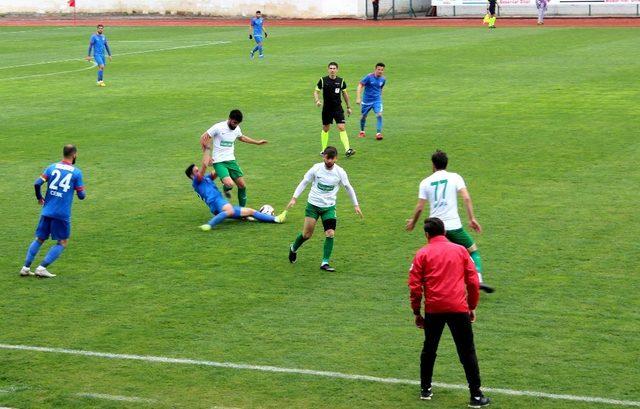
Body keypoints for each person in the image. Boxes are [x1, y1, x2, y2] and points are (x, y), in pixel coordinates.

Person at [408, 217, 491, 408]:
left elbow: (414, 287)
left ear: (426, 234)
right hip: (458, 308)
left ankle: (425, 390)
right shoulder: (461, 251)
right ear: (444, 232)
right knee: (467, 351)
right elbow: (472, 282)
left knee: (429, 349)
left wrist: (416, 312)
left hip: (434, 309)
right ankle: (476, 396)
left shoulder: (422, 253)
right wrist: (472, 306)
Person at [406, 150, 494, 293]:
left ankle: (421, 277)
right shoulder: (455, 177)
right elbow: (466, 198)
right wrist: (472, 218)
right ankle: (478, 279)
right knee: (472, 251)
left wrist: (413, 222)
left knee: (434, 254)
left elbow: (420, 207)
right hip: (454, 225)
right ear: (446, 164)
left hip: (435, 227)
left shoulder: (425, 182)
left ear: (433, 164)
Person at [286, 146, 362, 271]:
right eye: (327, 159)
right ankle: (293, 248)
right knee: (306, 235)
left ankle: (324, 262)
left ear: (336, 159)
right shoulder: (316, 168)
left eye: (332, 159)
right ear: (323, 157)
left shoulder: (340, 172)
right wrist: (294, 198)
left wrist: (356, 205)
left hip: (329, 208)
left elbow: (348, 187)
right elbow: (304, 182)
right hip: (313, 206)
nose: (329, 161)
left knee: (330, 233)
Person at [20, 145, 85, 278]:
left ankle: (25, 268)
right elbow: (82, 195)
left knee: (39, 239)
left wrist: (39, 198)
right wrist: (79, 191)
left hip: (47, 210)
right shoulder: (76, 172)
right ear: (74, 155)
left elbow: (37, 183)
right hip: (62, 214)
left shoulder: (52, 167)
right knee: (62, 242)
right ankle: (41, 268)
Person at [185, 157, 286, 230]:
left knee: (250, 212)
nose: (199, 172)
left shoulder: (205, 178)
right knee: (230, 211)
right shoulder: (196, 182)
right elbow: (203, 167)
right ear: (192, 176)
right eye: (196, 171)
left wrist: (216, 161)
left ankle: (272, 219)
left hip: (215, 206)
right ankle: (210, 224)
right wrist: (207, 150)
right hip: (218, 202)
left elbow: (217, 171)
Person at [199, 109, 267, 207]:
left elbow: (242, 137)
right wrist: (207, 155)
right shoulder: (218, 127)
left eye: (237, 123)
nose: (235, 125)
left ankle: (242, 211)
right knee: (230, 184)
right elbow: (203, 138)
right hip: (219, 162)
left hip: (231, 161)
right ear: (230, 118)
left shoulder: (237, 128)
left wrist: (257, 142)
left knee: (242, 186)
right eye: (234, 122)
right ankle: (226, 187)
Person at [314, 62, 355, 158]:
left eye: (334, 68)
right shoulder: (323, 80)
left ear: (337, 70)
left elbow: (345, 94)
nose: (332, 70)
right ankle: (323, 150)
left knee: (341, 127)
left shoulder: (341, 81)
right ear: (328, 69)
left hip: (337, 108)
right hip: (327, 109)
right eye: (330, 68)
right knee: (326, 128)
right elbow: (316, 91)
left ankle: (348, 149)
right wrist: (317, 100)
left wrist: (348, 107)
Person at [357, 62, 386, 140]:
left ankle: (378, 133)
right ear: (375, 69)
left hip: (377, 100)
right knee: (363, 116)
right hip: (366, 101)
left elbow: (381, 87)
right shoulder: (369, 77)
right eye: (379, 69)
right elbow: (360, 85)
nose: (380, 71)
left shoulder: (383, 79)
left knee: (379, 115)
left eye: (382, 70)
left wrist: (380, 96)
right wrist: (358, 98)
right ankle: (362, 131)